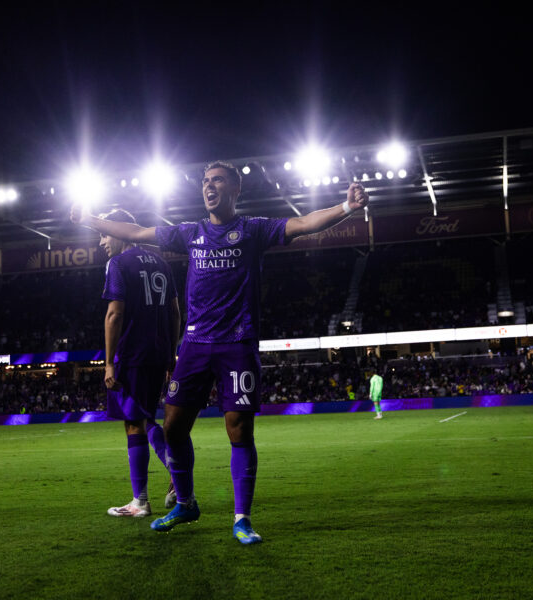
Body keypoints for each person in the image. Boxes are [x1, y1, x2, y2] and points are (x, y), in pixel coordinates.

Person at [73, 160, 369, 544]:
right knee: (172, 428)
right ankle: (186, 503)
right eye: (205, 182)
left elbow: (303, 223)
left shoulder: (253, 230)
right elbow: (137, 230)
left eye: (217, 181)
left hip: (237, 344)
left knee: (239, 430)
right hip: (194, 346)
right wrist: (90, 220)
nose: (209, 187)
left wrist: (346, 207)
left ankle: (242, 519)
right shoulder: (189, 233)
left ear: (235, 188)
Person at [72, 208, 180, 518]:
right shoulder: (162, 262)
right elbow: (175, 312)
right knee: (144, 418)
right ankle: (174, 474)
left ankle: (141, 500)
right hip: (159, 354)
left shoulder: (117, 264)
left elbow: (114, 314)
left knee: (133, 422)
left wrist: (108, 363)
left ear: (120, 231)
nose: (102, 241)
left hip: (132, 354)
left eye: (105, 233)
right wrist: (171, 355)